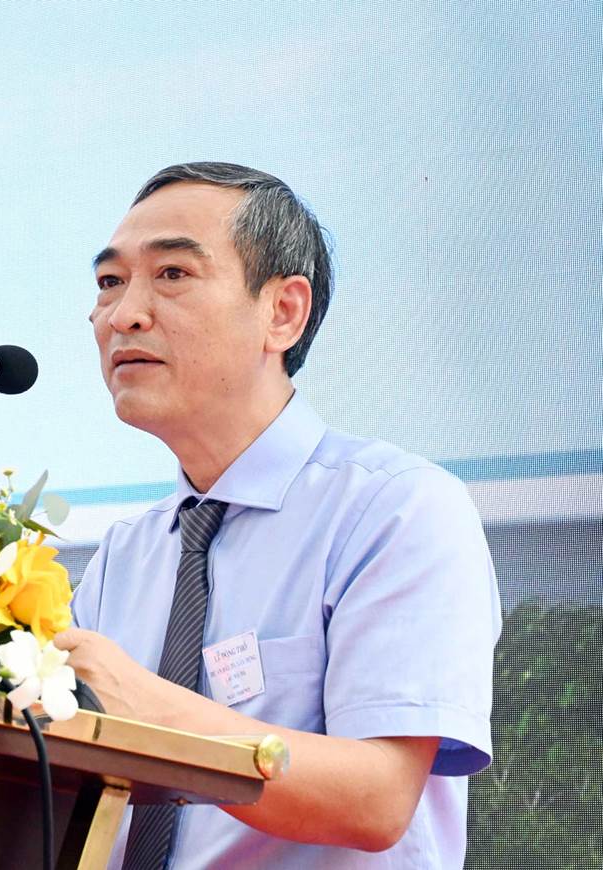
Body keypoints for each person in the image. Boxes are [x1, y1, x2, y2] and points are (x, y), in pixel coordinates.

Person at [57, 162, 503, 869]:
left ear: (283, 312)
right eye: (110, 281)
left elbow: (378, 799)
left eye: (172, 274)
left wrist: (143, 705)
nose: (123, 314)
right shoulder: (123, 557)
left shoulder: (395, 511)